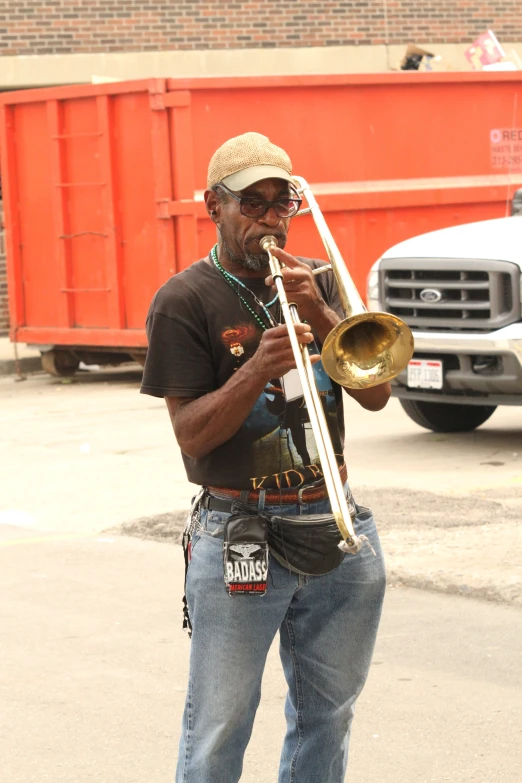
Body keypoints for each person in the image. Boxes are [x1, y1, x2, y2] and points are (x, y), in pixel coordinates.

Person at [140, 131, 389, 783]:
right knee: (221, 722)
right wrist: (256, 370)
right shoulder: (184, 299)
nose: (271, 218)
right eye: (253, 203)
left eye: (284, 203)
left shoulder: (318, 278)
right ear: (212, 206)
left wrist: (320, 306)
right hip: (240, 533)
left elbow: (376, 394)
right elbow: (191, 435)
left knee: (328, 715)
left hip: (337, 528)